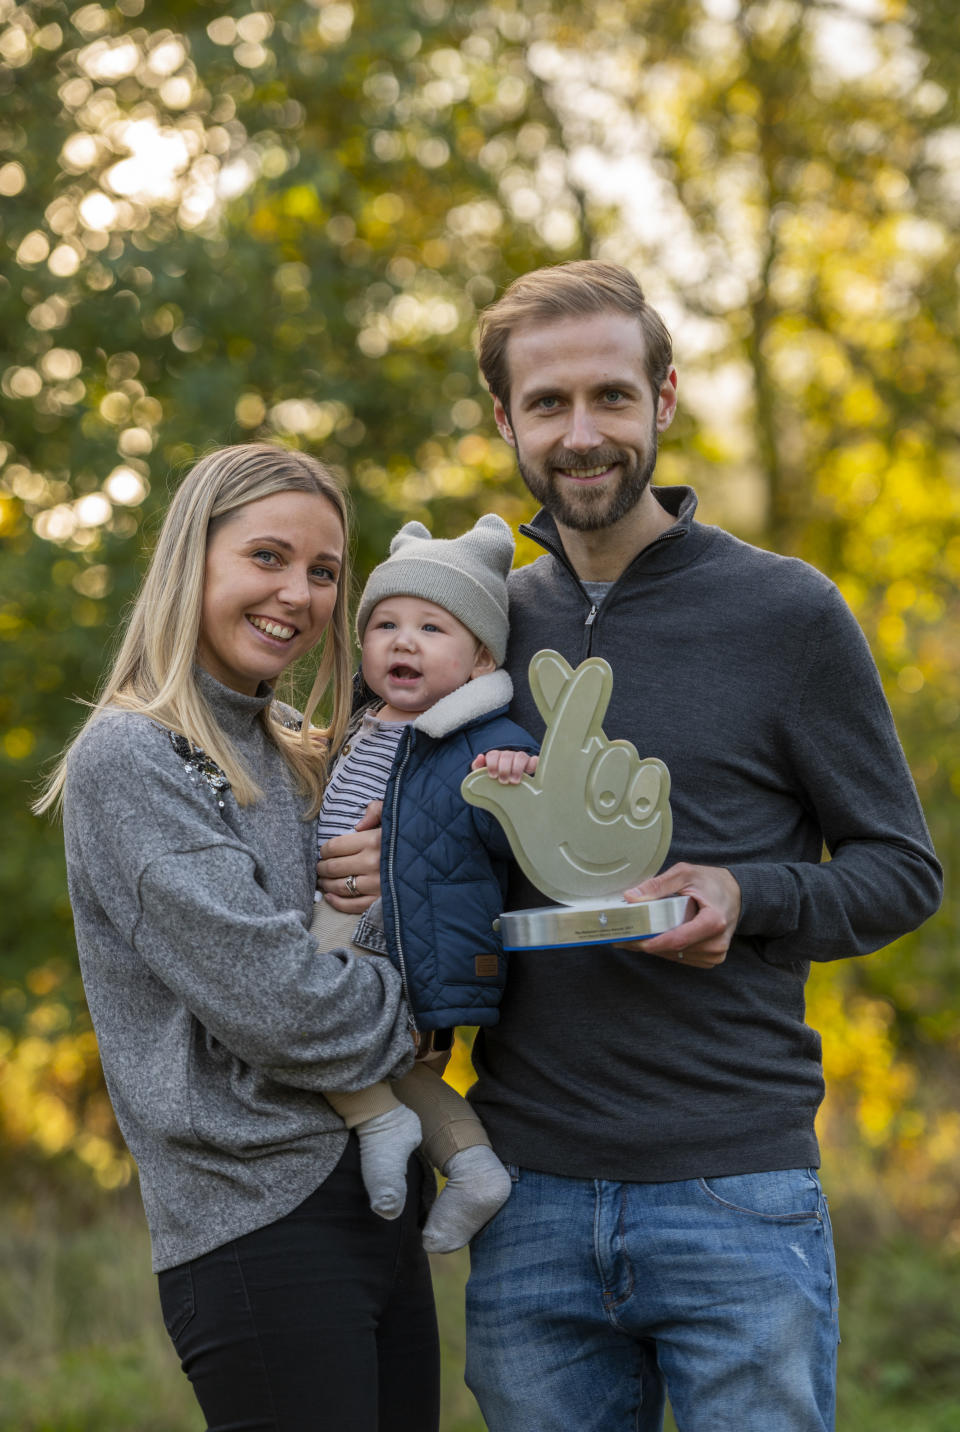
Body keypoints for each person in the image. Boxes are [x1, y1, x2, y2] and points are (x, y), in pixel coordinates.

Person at [461, 261, 943, 1432]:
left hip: (736, 1187)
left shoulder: (787, 612)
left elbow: (902, 870)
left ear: (664, 401)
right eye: (550, 404)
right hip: (526, 1192)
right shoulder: (481, 624)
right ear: (506, 421)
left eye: (613, 398)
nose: (584, 435)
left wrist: (747, 891)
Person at [38, 443, 440, 1432]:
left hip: (380, 1199)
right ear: (194, 564)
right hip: (257, 1225)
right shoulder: (134, 757)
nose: (297, 593)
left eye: (322, 571)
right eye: (267, 557)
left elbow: (384, 933)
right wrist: (436, 1008)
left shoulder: (302, 748)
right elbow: (288, 1005)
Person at [311, 513, 538, 1254]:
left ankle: (376, 1122)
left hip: (407, 934)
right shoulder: (357, 724)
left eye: (432, 628)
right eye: (385, 624)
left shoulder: (481, 737)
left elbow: (523, 834)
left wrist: (517, 777)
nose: (403, 641)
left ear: (478, 662)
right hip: (349, 919)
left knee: (288, 998)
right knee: (397, 1069)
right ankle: (471, 1167)